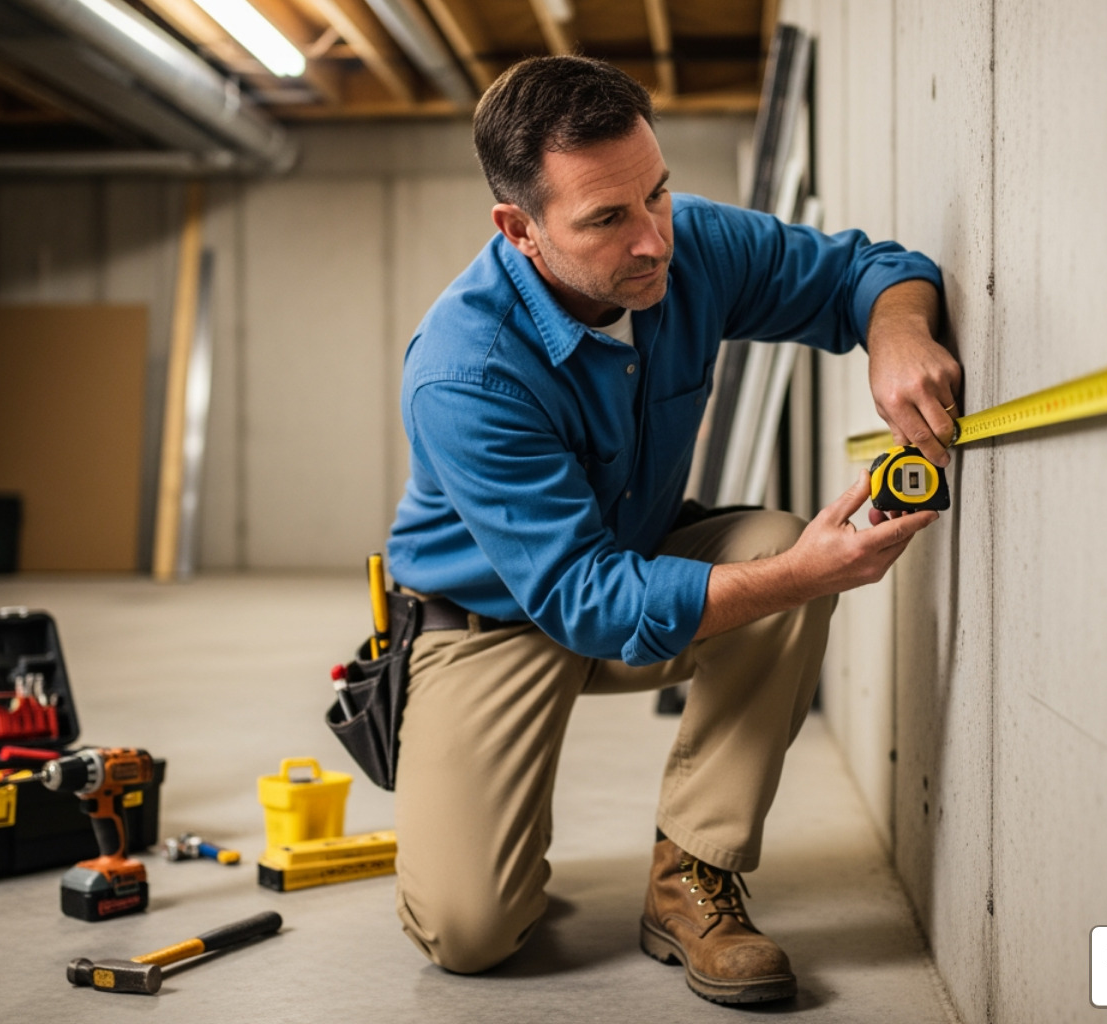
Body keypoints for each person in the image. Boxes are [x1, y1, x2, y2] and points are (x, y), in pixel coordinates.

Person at [384, 55, 961, 1005]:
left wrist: (896, 329)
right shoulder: (464, 372)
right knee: (470, 933)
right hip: (487, 623)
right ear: (519, 229)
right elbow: (586, 603)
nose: (653, 240)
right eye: (607, 219)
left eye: (655, 191)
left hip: (634, 562)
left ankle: (691, 876)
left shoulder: (685, 245)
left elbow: (870, 271)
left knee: (774, 547)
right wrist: (810, 577)